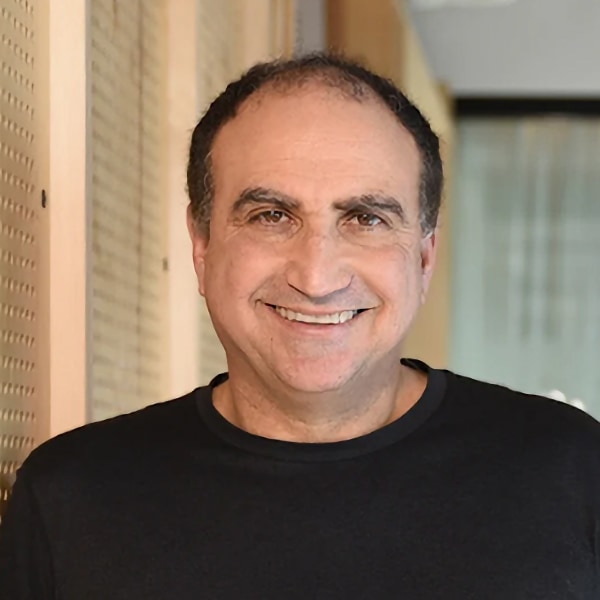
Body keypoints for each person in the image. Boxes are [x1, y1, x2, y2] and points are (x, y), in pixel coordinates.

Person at [1, 53, 599, 599]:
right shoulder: (71, 497)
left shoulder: (574, 472)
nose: (316, 276)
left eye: (365, 218)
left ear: (423, 256)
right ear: (202, 245)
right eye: (270, 215)